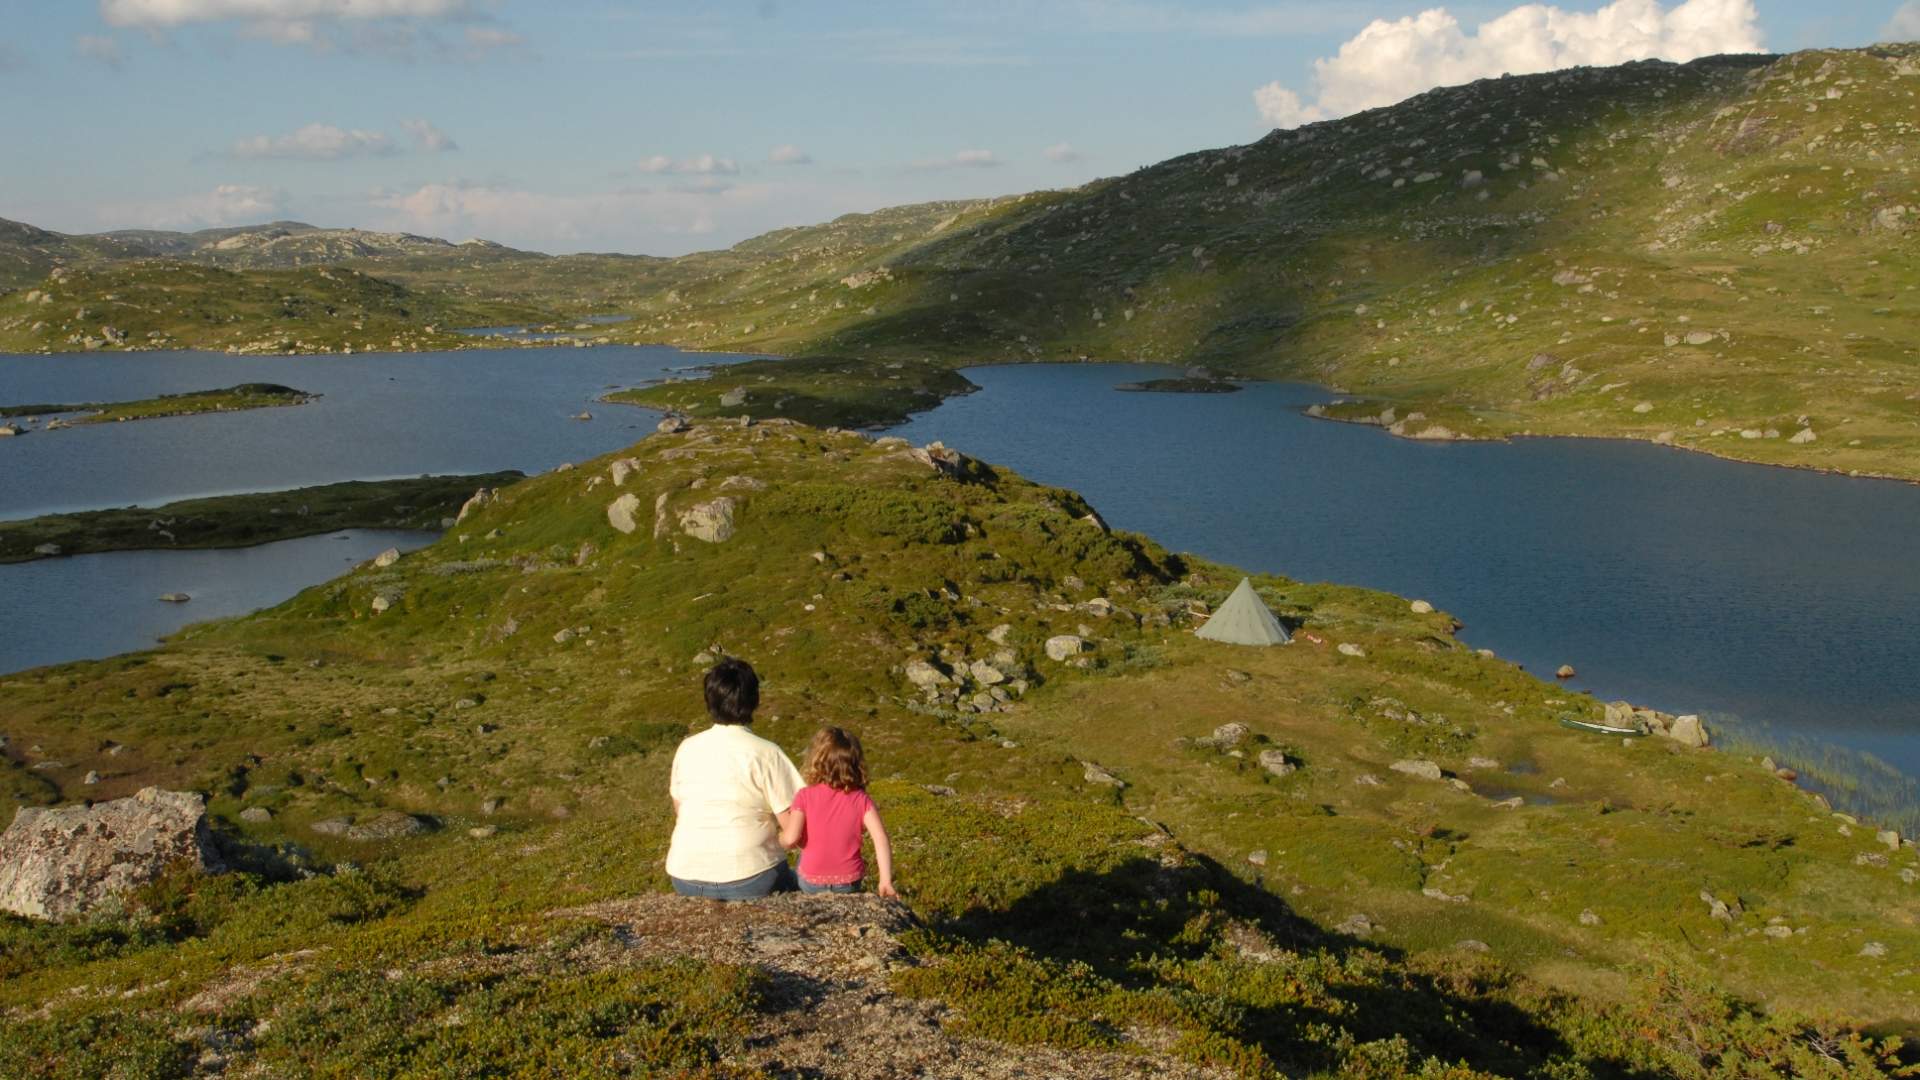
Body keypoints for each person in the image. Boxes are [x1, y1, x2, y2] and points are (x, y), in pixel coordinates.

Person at [666, 658, 805, 900]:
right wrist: (773, 841)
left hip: (685, 878)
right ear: (754, 700)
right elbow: (794, 829)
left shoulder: (687, 748)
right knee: (801, 876)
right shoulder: (767, 753)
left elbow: (681, 810)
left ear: (710, 701)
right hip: (752, 878)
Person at [779, 726, 898, 897]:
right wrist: (885, 881)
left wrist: (778, 839)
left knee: (798, 865)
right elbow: (880, 838)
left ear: (816, 761)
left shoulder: (804, 796)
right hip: (848, 881)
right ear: (856, 763)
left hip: (811, 882)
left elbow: (791, 839)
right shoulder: (861, 799)